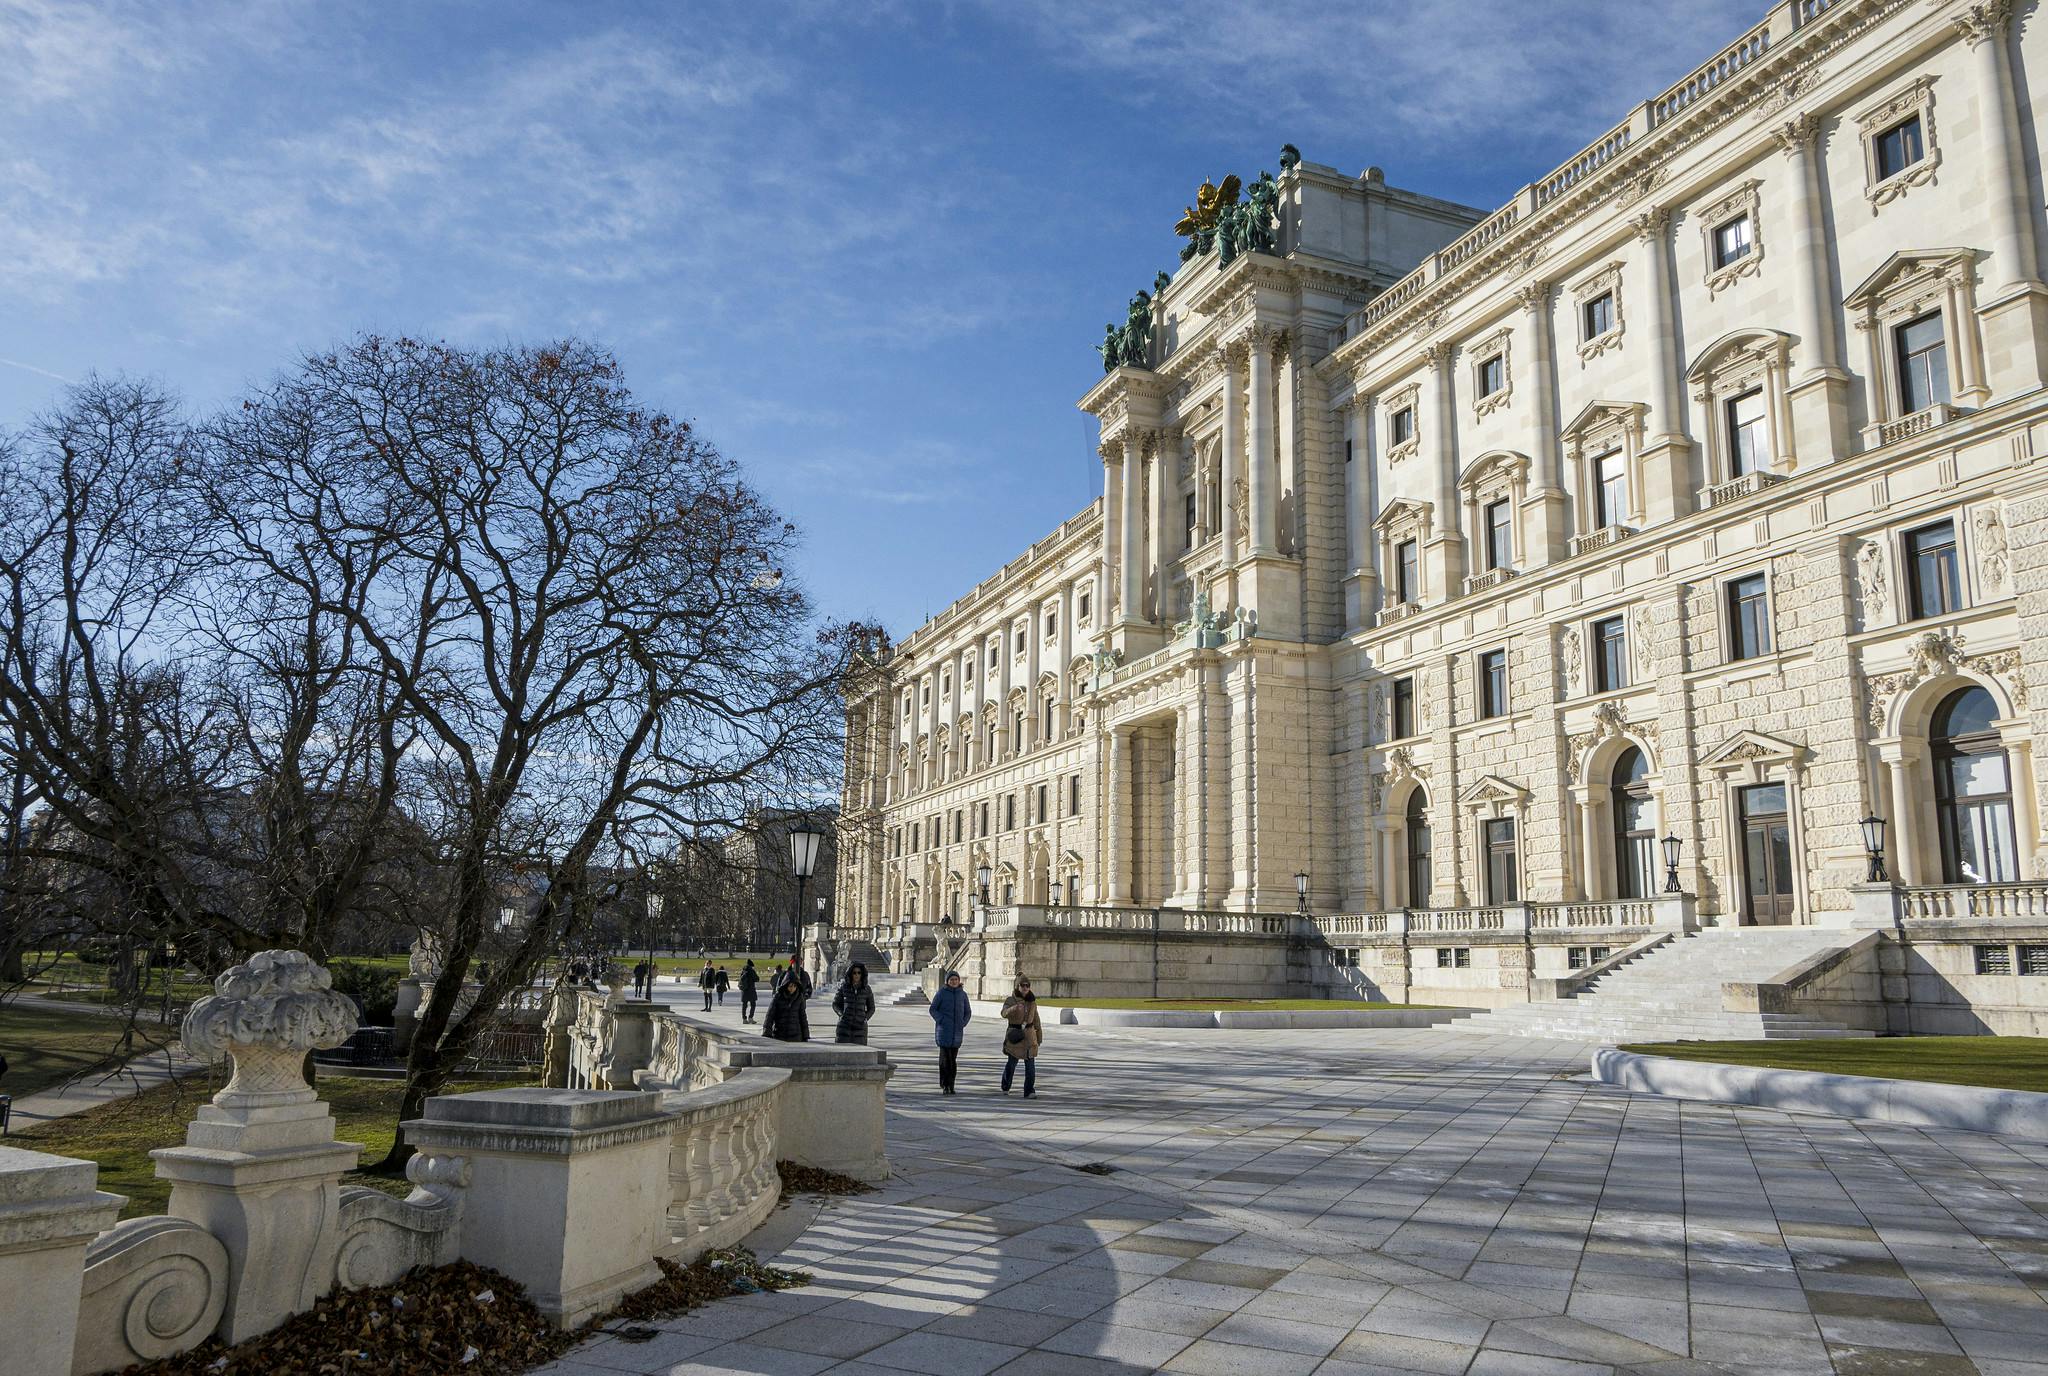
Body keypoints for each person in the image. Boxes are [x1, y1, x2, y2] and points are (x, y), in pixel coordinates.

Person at [929, 970, 970, 1095]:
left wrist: (963, 1022)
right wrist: (941, 1020)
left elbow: (968, 1011)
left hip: (957, 1032)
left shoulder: (962, 995)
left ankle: (951, 1084)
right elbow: (933, 1009)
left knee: (953, 1061)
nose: (954, 982)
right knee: (945, 1060)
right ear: (947, 981)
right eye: (951, 980)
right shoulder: (941, 993)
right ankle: (945, 1084)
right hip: (944, 1031)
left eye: (956, 980)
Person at [999, 976, 1042, 1097]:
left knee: (1030, 1066)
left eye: (1027, 986)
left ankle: (1029, 1090)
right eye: (1022, 985)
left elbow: (1036, 1020)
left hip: (1029, 1036)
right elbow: (1003, 1013)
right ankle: (1005, 1086)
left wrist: (1039, 1036)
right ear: (1017, 986)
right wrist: (1013, 1008)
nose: (1025, 988)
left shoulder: (1032, 1002)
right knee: (1011, 1064)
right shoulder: (1011, 1000)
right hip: (1015, 1036)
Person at [832, 962, 876, 1045]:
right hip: (844, 1026)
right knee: (842, 1052)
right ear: (851, 974)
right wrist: (841, 1015)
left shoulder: (867, 989)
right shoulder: (844, 987)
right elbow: (835, 1004)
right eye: (854, 973)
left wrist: (865, 1018)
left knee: (859, 1053)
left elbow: (872, 1008)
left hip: (860, 1027)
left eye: (859, 973)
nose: (856, 975)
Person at [762, 974, 810, 1042]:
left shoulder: (799, 997)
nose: (792, 988)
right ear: (786, 985)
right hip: (780, 1035)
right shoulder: (778, 996)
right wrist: (766, 1032)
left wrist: (805, 1035)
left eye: (794, 986)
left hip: (796, 1035)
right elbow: (770, 1015)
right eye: (790, 986)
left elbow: (803, 1017)